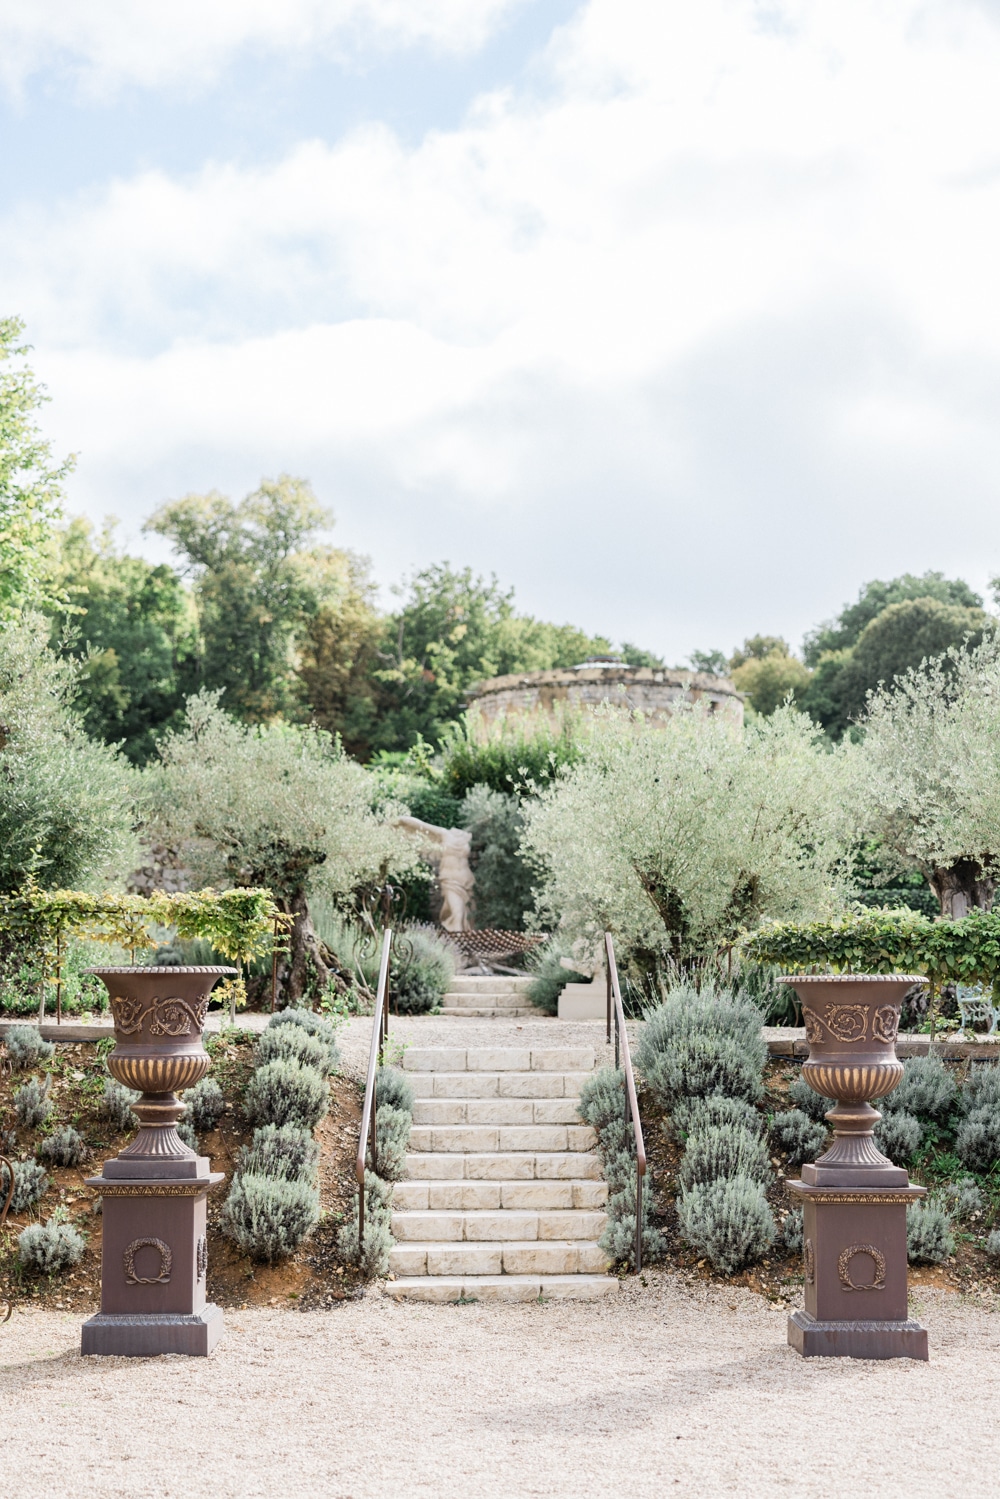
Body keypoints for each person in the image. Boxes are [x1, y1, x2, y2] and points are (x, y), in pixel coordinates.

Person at [395, 817, 475, 931]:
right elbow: (422, 825)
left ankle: (464, 942)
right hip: (449, 879)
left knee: (467, 916)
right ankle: (457, 944)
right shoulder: (445, 834)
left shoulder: (467, 836)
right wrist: (402, 819)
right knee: (457, 914)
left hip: (466, 879)